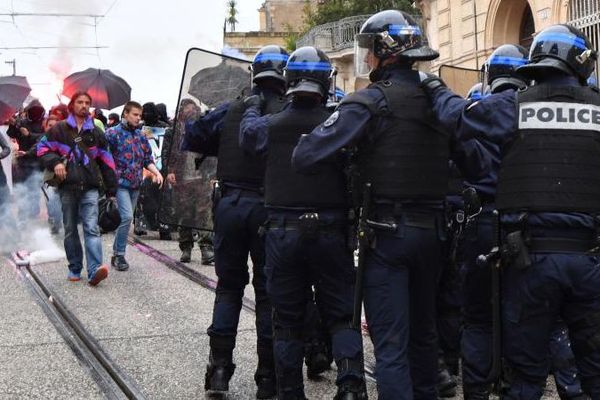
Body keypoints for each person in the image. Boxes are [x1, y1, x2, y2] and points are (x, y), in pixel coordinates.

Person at [292, 11, 489, 399]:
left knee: (392, 347)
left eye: (370, 52)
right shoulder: (440, 103)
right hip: (432, 237)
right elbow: (477, 165)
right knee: (424, 338)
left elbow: (305, 155)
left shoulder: (368, 102)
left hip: (386, 239)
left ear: (385, 54)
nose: (365, 60)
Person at [422, 24, 600, 399]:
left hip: (530, 261)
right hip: (591, 259)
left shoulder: (514, 106)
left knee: (526, 374)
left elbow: (456, 117)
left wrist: (433, 86)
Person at [240, 46, 367, 400]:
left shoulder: (271, 124)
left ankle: (291, 393)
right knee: (342, 315)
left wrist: (253, 103)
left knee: (287, 321)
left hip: (284, 233)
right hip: (331, 232)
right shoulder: (338, 123)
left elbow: (247, 136)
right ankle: (352, 385)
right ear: (326, 82)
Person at [182, 45, 289, 398]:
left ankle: (219, 372)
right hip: (269, 208)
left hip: (229, 206)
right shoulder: (287, 111)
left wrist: (221, 142)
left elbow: (193, 135)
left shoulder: (233, 108)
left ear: (254, 73)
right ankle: (268, 378)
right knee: (268, 294)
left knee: (229, 287)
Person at [37, 91, 117, 285]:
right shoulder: (59, 130)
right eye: (80, 102)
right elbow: (41, 149)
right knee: (71, 229)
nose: (83, 105)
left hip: (90, 187)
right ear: (72, 105)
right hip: (67, 187)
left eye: (87, 103)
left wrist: (111, 190)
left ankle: (94, 270)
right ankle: (74, 267)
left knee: (91, 228)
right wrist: (55, 162)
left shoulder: (96, 133)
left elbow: (107, 161)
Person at [106, 101, 163, 271]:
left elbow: (147, 159)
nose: (138, 118)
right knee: (127, 217)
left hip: (135, 184)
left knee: (126, 218)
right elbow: (105, 158)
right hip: (120, 184)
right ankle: (119, 254)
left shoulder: (141, 136)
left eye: (140, 115)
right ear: (125, 114)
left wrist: (157, 172)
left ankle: (117, 253)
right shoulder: (112, 134)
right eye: (135, 114)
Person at [161, 99, 214, 264]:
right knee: (184, 213)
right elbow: (166, 152)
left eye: (192, 107)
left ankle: (206, 248)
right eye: (186, 108)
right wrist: (168, 171)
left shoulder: (204, 127)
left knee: (204, 214)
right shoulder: (173, 130)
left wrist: (212, 175)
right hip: (182, 177)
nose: (190, 110)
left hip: (201, 177)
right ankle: (186, 248)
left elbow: (212, 152)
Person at [7, 99, 45, 221]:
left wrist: (29, 134)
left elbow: (44, 138)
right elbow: (12, 134)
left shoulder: (43, 124)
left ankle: (33, 212)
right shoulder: (22, 122)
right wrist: (13, 125)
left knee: (34, 187)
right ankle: (23, 213)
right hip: (23, 161)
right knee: (22, 188)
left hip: (37, 160)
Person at [43, 114, 64, 234]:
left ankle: (60, 220)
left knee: (61, 199)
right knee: (50, 199)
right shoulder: (43, 140)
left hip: (63, 174)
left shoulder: (65, 140)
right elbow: (36, 150)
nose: (52, 128)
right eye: (50, 125)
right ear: (45, 127)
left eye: (55, 125)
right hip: (49, 176)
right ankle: (54, 221)